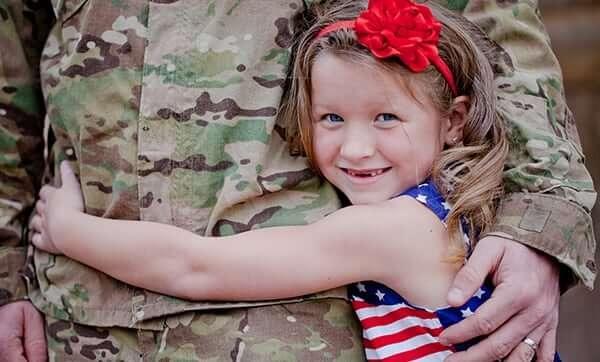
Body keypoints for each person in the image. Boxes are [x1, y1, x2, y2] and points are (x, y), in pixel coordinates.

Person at [0, 0, 595, 361]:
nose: (356, 148)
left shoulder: (394, 230)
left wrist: (68, 230)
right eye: (330, 118)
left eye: (387, 117)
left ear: (454, 120)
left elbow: (194, 265)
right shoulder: (437, 215)